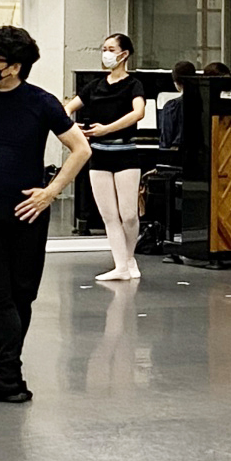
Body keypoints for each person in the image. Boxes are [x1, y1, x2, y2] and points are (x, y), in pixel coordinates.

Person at [0, 26, 91, 402]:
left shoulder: (41, 103)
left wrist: (51, 192)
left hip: (27, 215)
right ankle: (9, 375)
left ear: (14, 67)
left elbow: (81, 149)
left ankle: (8, 376)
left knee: (21, 296)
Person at [65, 33, 146, 282]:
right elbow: (67, 108)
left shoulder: (133, 84)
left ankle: (129, 259)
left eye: (111, 49)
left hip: (125, 153)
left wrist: (107, 129)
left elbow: (138, 113)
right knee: (109, 215)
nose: (106, 54)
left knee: (129, 214)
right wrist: (75, 128)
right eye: (104, 49)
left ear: (124, 54)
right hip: (99, 155)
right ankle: (120, 265)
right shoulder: (95, 86)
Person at [158, 59, 196, 149]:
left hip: (177, 152)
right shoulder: (203, 104)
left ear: (176, 82)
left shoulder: (172, 106)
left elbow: (166, 139)